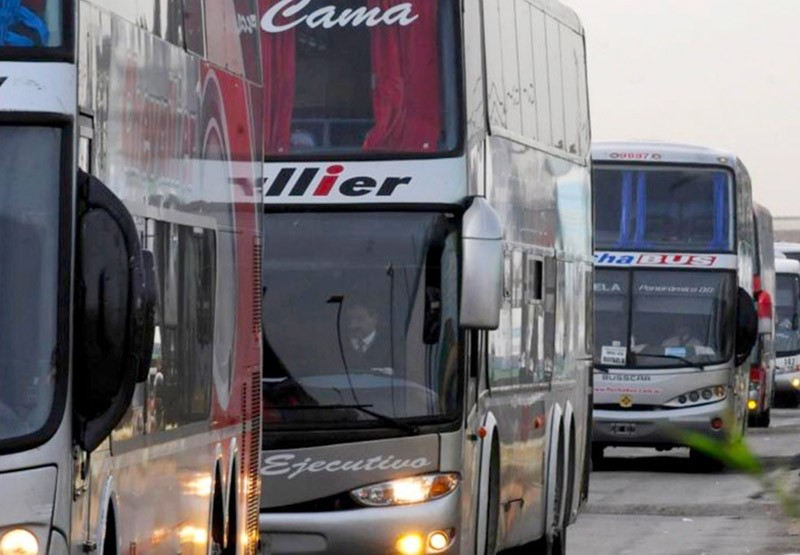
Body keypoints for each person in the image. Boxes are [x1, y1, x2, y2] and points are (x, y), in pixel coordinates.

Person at [342, 302, 393, 374]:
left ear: (374, 318)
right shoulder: (335, 347)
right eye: (349, 320)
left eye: (359, 319)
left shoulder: (393, 346)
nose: (352, 325)